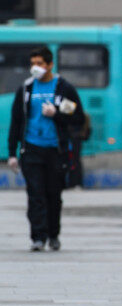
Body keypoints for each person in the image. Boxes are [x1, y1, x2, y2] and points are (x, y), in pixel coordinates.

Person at [7, 46, 85, 252]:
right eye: (33, 63)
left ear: (50, 65)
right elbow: (16, 122)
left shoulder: (63, 88)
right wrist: (12, 154)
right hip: (31, 149)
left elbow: (77, 117)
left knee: (53, 194)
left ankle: (53, 235)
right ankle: (38, 237)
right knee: (35, 194)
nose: (35, 67)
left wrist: (56, 113)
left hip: (55, 150)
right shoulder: (26, 90)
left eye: (40, 63)